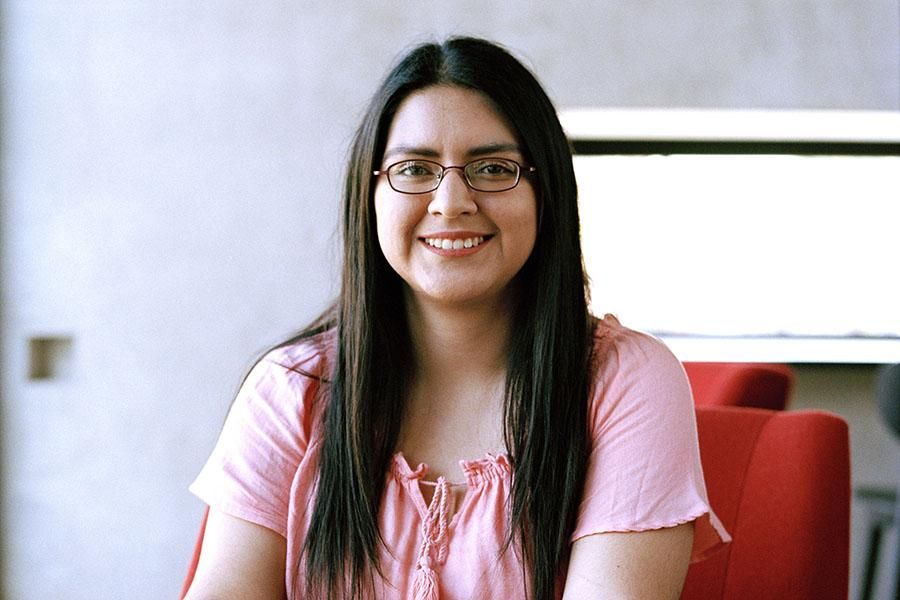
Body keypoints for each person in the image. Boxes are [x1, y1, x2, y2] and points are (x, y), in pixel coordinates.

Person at [185, 36, 729, 600]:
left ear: (548, 194)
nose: (450, 201)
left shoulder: (626, 381)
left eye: (493, 168)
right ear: (369, 195)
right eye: (414, 168)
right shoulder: (290, 390)